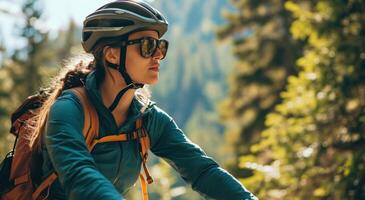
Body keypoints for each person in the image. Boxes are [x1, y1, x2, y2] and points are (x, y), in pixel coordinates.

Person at [31, 0, 258, 199]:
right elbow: (80, 177)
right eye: (147, 46)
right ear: (111, 54)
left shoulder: (147, 119)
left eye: (160, 46)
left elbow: (202, 171)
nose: (158, 54)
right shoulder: (69, 110)